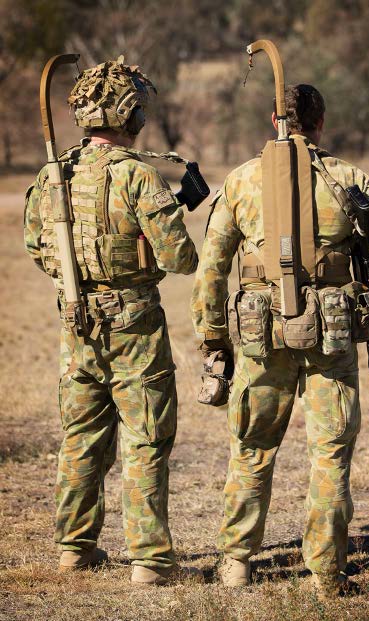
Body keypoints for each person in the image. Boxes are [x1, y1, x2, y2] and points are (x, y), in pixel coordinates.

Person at [191, 84, 369, 597]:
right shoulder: (350, 180)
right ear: (321, 122)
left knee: (250, 448)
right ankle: (327, 573)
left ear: (274, 120)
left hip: (258, 338)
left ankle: (238, 562)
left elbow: (211, 269)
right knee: (330, 453)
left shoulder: (241, 182)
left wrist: (213, 339)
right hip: (331, 341)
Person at [24, 58, 198, 585]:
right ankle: (148, 560)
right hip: (135, 330)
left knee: (81, 436)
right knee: (145, 439)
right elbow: (182, 259)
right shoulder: (138, 176)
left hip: (75, 326)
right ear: (130, 114)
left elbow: (37, 246)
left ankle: (75, 547)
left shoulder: (55, 174)